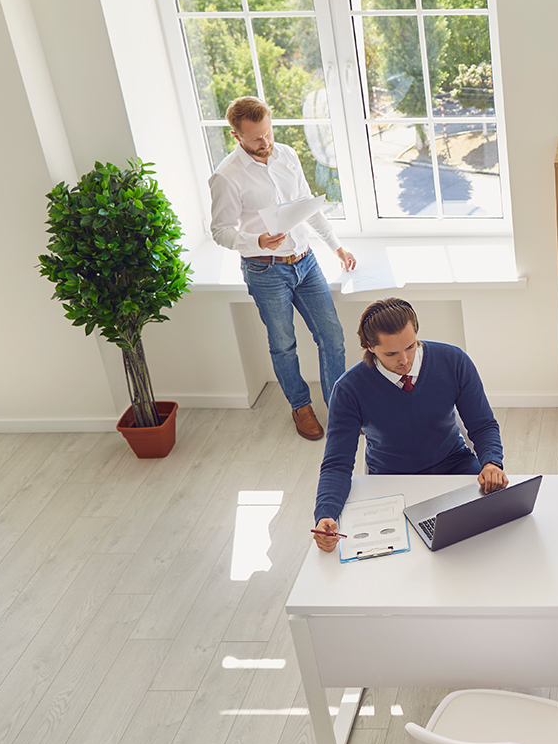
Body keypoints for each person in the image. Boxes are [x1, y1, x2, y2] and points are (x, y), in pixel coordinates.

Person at [209, 96, 357, 441]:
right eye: (256, 138)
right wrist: (256, 241)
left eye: (268, 133)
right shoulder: (226, 177)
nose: (266, 143)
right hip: (266, 271)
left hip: (305, 261)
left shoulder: (287, 155)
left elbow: (308, 207)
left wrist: (335, 245)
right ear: (236, 136)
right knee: (283, 344)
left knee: (332, 337)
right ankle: (300, 406)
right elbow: (220, 232)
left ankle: (340, 409)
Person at [312, 298, 506, 551]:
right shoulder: (349, 390)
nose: (404, 360)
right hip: (391, 480)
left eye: (411, 346)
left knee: (492, 541)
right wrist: (325, 514)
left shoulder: (454, 360)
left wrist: (491, 462)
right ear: (369, 346)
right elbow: (337, 464)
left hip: (455, 465)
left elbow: (482, 426)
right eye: (391, 353)